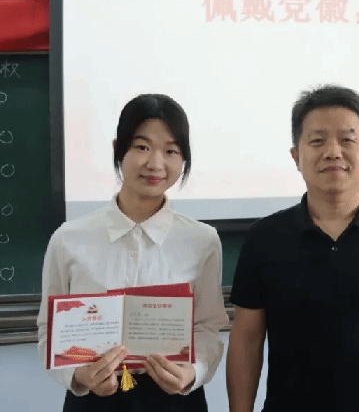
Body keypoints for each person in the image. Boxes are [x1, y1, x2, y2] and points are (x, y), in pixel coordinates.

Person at [226, 84, 359, 412]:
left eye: (347, 140)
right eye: (317, 141)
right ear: (296, 157)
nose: (333, 152)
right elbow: (247, 338)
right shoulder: (265, 238)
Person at [36, 94, 229, 412]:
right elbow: (49, 331)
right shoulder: (68, 240)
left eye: (171, 151)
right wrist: (79, 376)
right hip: (94, 401)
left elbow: (207, 327)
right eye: (142, 147)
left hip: (175, 400)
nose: (156, 164)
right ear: (118, 149)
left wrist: (192, 372)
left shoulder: (202, 240)